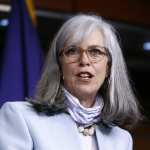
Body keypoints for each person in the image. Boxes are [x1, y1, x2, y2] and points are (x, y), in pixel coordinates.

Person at [0, 14, 142, 150]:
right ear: (59, 66)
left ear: (109, 67)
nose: (84, 61)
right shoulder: (20, 117)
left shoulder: (122, 139)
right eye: (72, 51)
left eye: (95, 52)